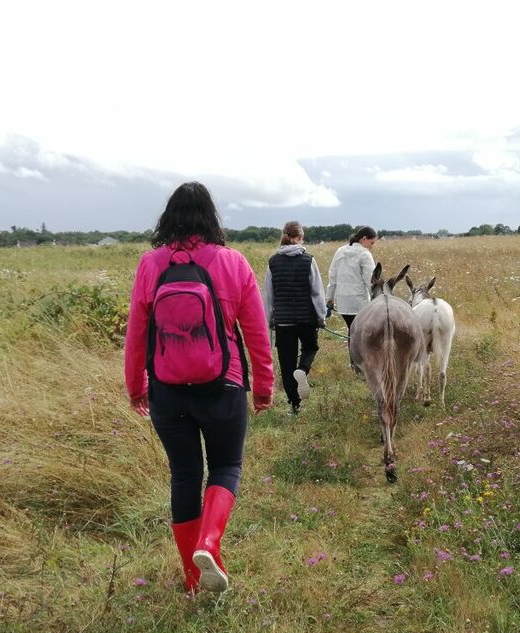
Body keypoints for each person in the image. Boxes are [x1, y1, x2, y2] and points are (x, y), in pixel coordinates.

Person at [124, 181, 274, 594]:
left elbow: (137, 333)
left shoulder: (150, 263)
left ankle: (194, 581)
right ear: (211, 218)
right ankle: (209, 543)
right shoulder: (233, 262)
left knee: (184, 476)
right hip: (223, 387)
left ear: (167, 218)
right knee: (226, 467)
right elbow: (257, 334)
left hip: (167, 391)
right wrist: (263, 386)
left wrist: (136, 386)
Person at [262, 221, 327, 415]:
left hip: (283, 320)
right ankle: (303, 370)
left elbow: (269, 295)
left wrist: (269, 319)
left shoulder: (273, 262)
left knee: (286, 361)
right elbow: (317, 292)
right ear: (299, 238)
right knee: (310, 348)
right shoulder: (308, 260)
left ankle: (294, 405)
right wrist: (321, 316)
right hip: (306, 318)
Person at [326, 226, 377, 331]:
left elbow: (332, 276)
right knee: (360, 334)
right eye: (371, 243)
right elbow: (371, 280)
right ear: (363, 239)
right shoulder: (365, 254)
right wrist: (377, 300)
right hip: (359, 303)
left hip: (343, 303)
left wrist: (329, 298)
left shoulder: (340, 251)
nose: (371, 247)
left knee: (352, 330)